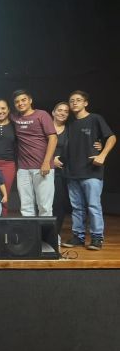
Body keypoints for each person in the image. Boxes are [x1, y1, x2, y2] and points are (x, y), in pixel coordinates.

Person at [63, 90, 116, 250]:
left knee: (93, 206)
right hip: (72, 173)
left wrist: (103, 155)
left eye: (78, 100)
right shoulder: (70, 124)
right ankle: (78, 237)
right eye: (72, 100)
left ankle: (96, 238)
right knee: (77, 208)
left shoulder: (95, 119)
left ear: (85, 103)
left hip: (92, 172)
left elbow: (111, 137)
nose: (74, 103)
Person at [51, 102, 71, 240]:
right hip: (44, 170)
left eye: (66, 111)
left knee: (58, 203)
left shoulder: (71, 130)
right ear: (53, 112)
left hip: (61, 173)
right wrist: (51, 160)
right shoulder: (44, 128)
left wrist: (98, 144)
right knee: (42, 204)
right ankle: (38, 232)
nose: (62, 113)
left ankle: (54, 234)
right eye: (59, 110)